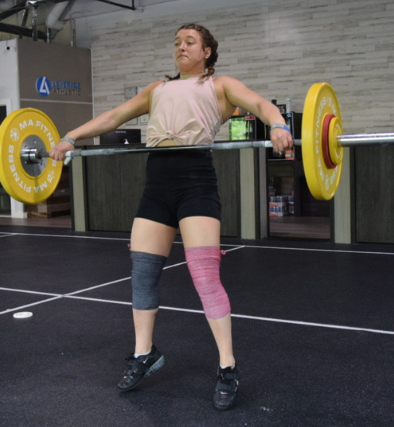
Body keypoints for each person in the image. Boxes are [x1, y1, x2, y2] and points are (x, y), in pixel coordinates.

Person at [49, 23, 293, 410]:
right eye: (177, 42)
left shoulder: (220, 85)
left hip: (195, 180)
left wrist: (278, 124)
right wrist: (69, 137)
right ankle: (144, 353)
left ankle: (227, 366)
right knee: (143, 273)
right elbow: (113, 117)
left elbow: (262, 105)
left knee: (204, 276)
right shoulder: (157, 89)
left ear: (207, 52)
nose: (181, 47)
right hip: (157, 183)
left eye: (189, 42)